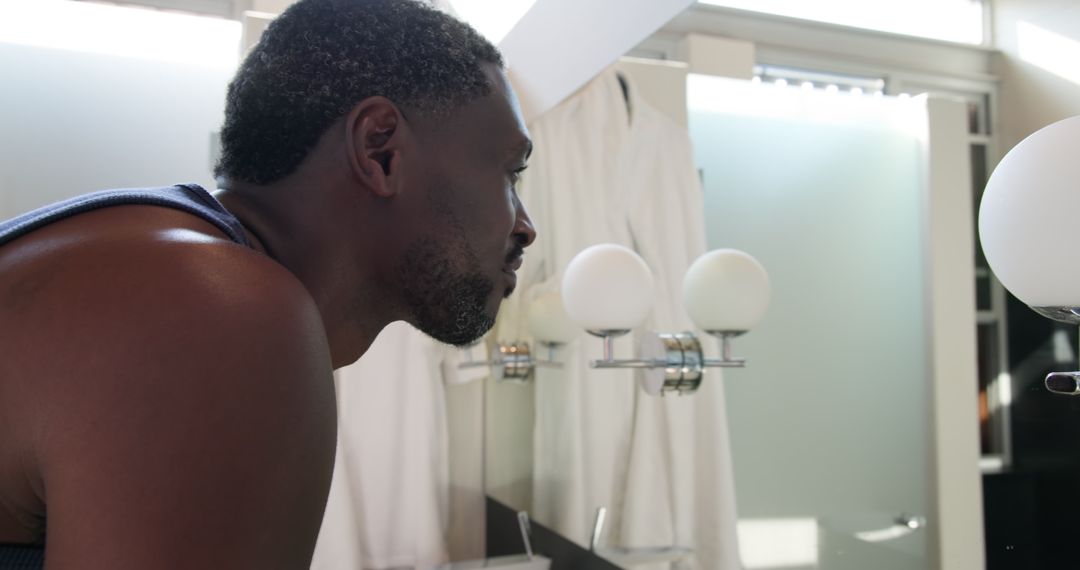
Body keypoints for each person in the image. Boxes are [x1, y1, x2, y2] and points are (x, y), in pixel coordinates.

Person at [0, 0, 535, 567]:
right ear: (380, 149)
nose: (525, 226)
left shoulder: (153, 257)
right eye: (510, 173)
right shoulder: (220, 318)